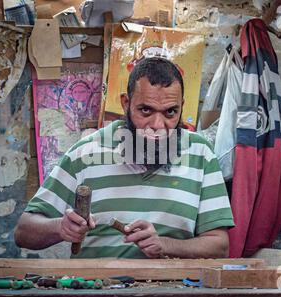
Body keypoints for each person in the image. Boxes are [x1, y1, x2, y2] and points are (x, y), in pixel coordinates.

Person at [15, 57, 235, 258]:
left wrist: (166, 245)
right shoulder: (87, 152)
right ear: (126, 104)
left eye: (170, 112)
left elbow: (219, 246)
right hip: (97, 291)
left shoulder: (201, 154)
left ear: (182, 108)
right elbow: (24, 232)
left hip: (172, 293)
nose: (158, 126)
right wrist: (59, 227)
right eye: (146, 111)